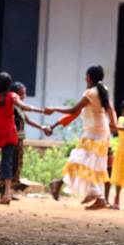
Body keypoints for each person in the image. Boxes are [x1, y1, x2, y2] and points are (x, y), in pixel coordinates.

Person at [47, 65, 118, 210]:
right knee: (93, 164)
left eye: (86, 75)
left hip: (92, 132)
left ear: (89, 77)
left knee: (79, 160)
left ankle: (61, 183)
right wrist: (113, 124)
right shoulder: (103, 89)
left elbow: (74, 110)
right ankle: (98, 196)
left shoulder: (90, 93)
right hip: (102, 132)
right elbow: (110, 109)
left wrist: (54, 109)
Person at [0, 72, 47, 205]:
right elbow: (24, 107)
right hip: (9, 134)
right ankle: (7, 193)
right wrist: (42, 110)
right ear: (9, 85)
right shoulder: (12, 96)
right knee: (7, 163)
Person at [0, 81, 51, 198]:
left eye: (24, 94)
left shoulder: (19, 108)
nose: (24, 96)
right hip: (12, 139)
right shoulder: (12, 106)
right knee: (10, 164)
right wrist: (42, 110)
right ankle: (4, 191)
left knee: (16, 165)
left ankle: (8, 190)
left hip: (19, 139)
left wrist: (42, 127)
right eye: (22, 94)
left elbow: (28, 121)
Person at [111, 101, 124, 209]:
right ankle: (117, 199)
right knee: (119, 177)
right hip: (121, 153)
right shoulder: (121, 119)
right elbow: (117, 127)